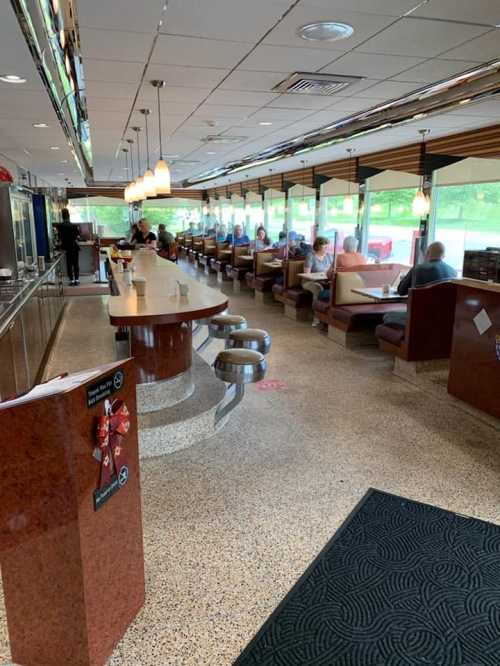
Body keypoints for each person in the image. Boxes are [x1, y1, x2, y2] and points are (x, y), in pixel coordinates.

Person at [383, 241, 457, 328]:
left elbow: (401, 291)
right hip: (443, 320)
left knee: (388, 316)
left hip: (419, 318)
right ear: (443, 255)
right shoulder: (453, 272)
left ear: (427, 253)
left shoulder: (418, 269)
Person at [303, 237, 335, 327]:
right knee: (318, 288)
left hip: (325, 281)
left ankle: (328, 317)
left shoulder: (329, 256)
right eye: (324, 246)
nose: (326, 248)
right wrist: (320, 275)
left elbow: (332, 271)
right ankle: (316, 317)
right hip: (309, 282)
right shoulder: (311, 256)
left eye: (327, 246)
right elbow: (307, 274)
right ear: (317, 246)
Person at [58, 208, 80, 286]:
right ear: (69, 216)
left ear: (62, 216)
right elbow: (77, 236)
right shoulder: (74, 226)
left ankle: (71, 280)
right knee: (75, 263)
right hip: (74, 247)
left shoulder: (60, 226)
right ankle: (77, 280)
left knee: (69, 264)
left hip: (66, 248)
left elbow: (60, 238)